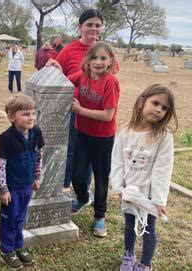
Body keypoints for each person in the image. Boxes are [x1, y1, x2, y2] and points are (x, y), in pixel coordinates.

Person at [48, 9, 120, 198]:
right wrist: (54, 66)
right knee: (72, 149)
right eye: (89, 24)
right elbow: (60, 77)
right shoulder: (69, 50)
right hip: (74, 110)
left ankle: (84, 191)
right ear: (80, 27)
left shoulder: (105, 50)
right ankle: (65, 185)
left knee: (90, 159)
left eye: (97, 25)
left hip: (98, 115)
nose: (93, 28)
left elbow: (109, 79)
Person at [111, 84, 178, 271]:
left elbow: (162, 169)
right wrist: (118, 187)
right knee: (129, 224)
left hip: (148, 194)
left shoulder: (163, 136)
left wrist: (158, 199)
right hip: (129, 190)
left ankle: (146, 263)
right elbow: (117, 161)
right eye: (155, 103)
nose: (159, 110)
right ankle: (129, 255)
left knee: (149, 228)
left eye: (164, 108)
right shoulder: (125, 131)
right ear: (141, 102)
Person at [68, 41, 120, 237]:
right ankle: (82, 198)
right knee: (77, 174)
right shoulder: (82, 76)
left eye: (103, 58)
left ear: (110, 62)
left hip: (103, 138)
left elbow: (108, 115)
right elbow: (65, 80)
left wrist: (80, 110)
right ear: (87, 61)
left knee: (100, 178)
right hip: (83, 133)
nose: (98, 62)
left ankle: (100, 216)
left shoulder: (111, 82)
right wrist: (54, 66)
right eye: (94, 58)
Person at [0, 94, 44, 269]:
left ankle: (18, 246)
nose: (31, 117)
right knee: (10, 218)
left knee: (20, 217)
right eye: (25, 114)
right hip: (12, 187)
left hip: (27, 185)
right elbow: (1, 164)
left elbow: (38, 155)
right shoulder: (6, 138)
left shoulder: (36, 132)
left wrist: (37, 177)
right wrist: (3, 189)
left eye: (32, 113)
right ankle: (7, 249)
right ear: (11, 117)